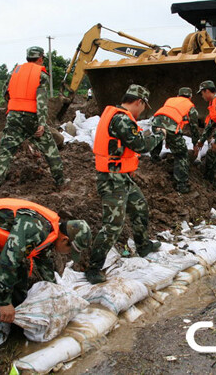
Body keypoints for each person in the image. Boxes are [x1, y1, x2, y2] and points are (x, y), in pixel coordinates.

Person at [0, 198, 92, 366]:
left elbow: (43, 261)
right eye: (70, 250)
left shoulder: (50, 232)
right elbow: (6, 266)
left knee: (20, 276)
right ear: (64, 239)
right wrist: (5, 302)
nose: (67, 254)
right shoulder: (36, 229)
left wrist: (58, 293)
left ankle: (18, 323)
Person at [88, 84, 166, 284]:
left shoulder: (118, 116)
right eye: (143, 107)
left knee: (140, 206)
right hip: (112, 179)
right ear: (138, 102)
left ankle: (143, 245)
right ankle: (93, 267)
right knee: (113, 226)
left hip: (121, 176)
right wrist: (159, 135)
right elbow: (140, 145)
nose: (143, 111)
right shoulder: (122, 118)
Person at [0, 46, 65, 190]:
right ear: (40, 58)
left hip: (13, 116)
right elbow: (42, 101)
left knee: (5, 151)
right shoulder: (41, 74)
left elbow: (5, 92)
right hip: (32, 118)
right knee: (50, 150)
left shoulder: (16, 71)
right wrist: (42, 123)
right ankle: (60, 181)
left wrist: (15, 105)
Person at [151, 87, 199, 193]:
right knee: (181, 154)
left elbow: (166, 119)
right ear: (191, 97)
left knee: (157, 138)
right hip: (171, 129)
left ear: (178, 95)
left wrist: (168, 140)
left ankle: (154, 159)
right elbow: (194, 128)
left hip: (155, 123)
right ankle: (181, 185)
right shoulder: (190, 107)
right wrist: (196, 144)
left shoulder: (170, 100)